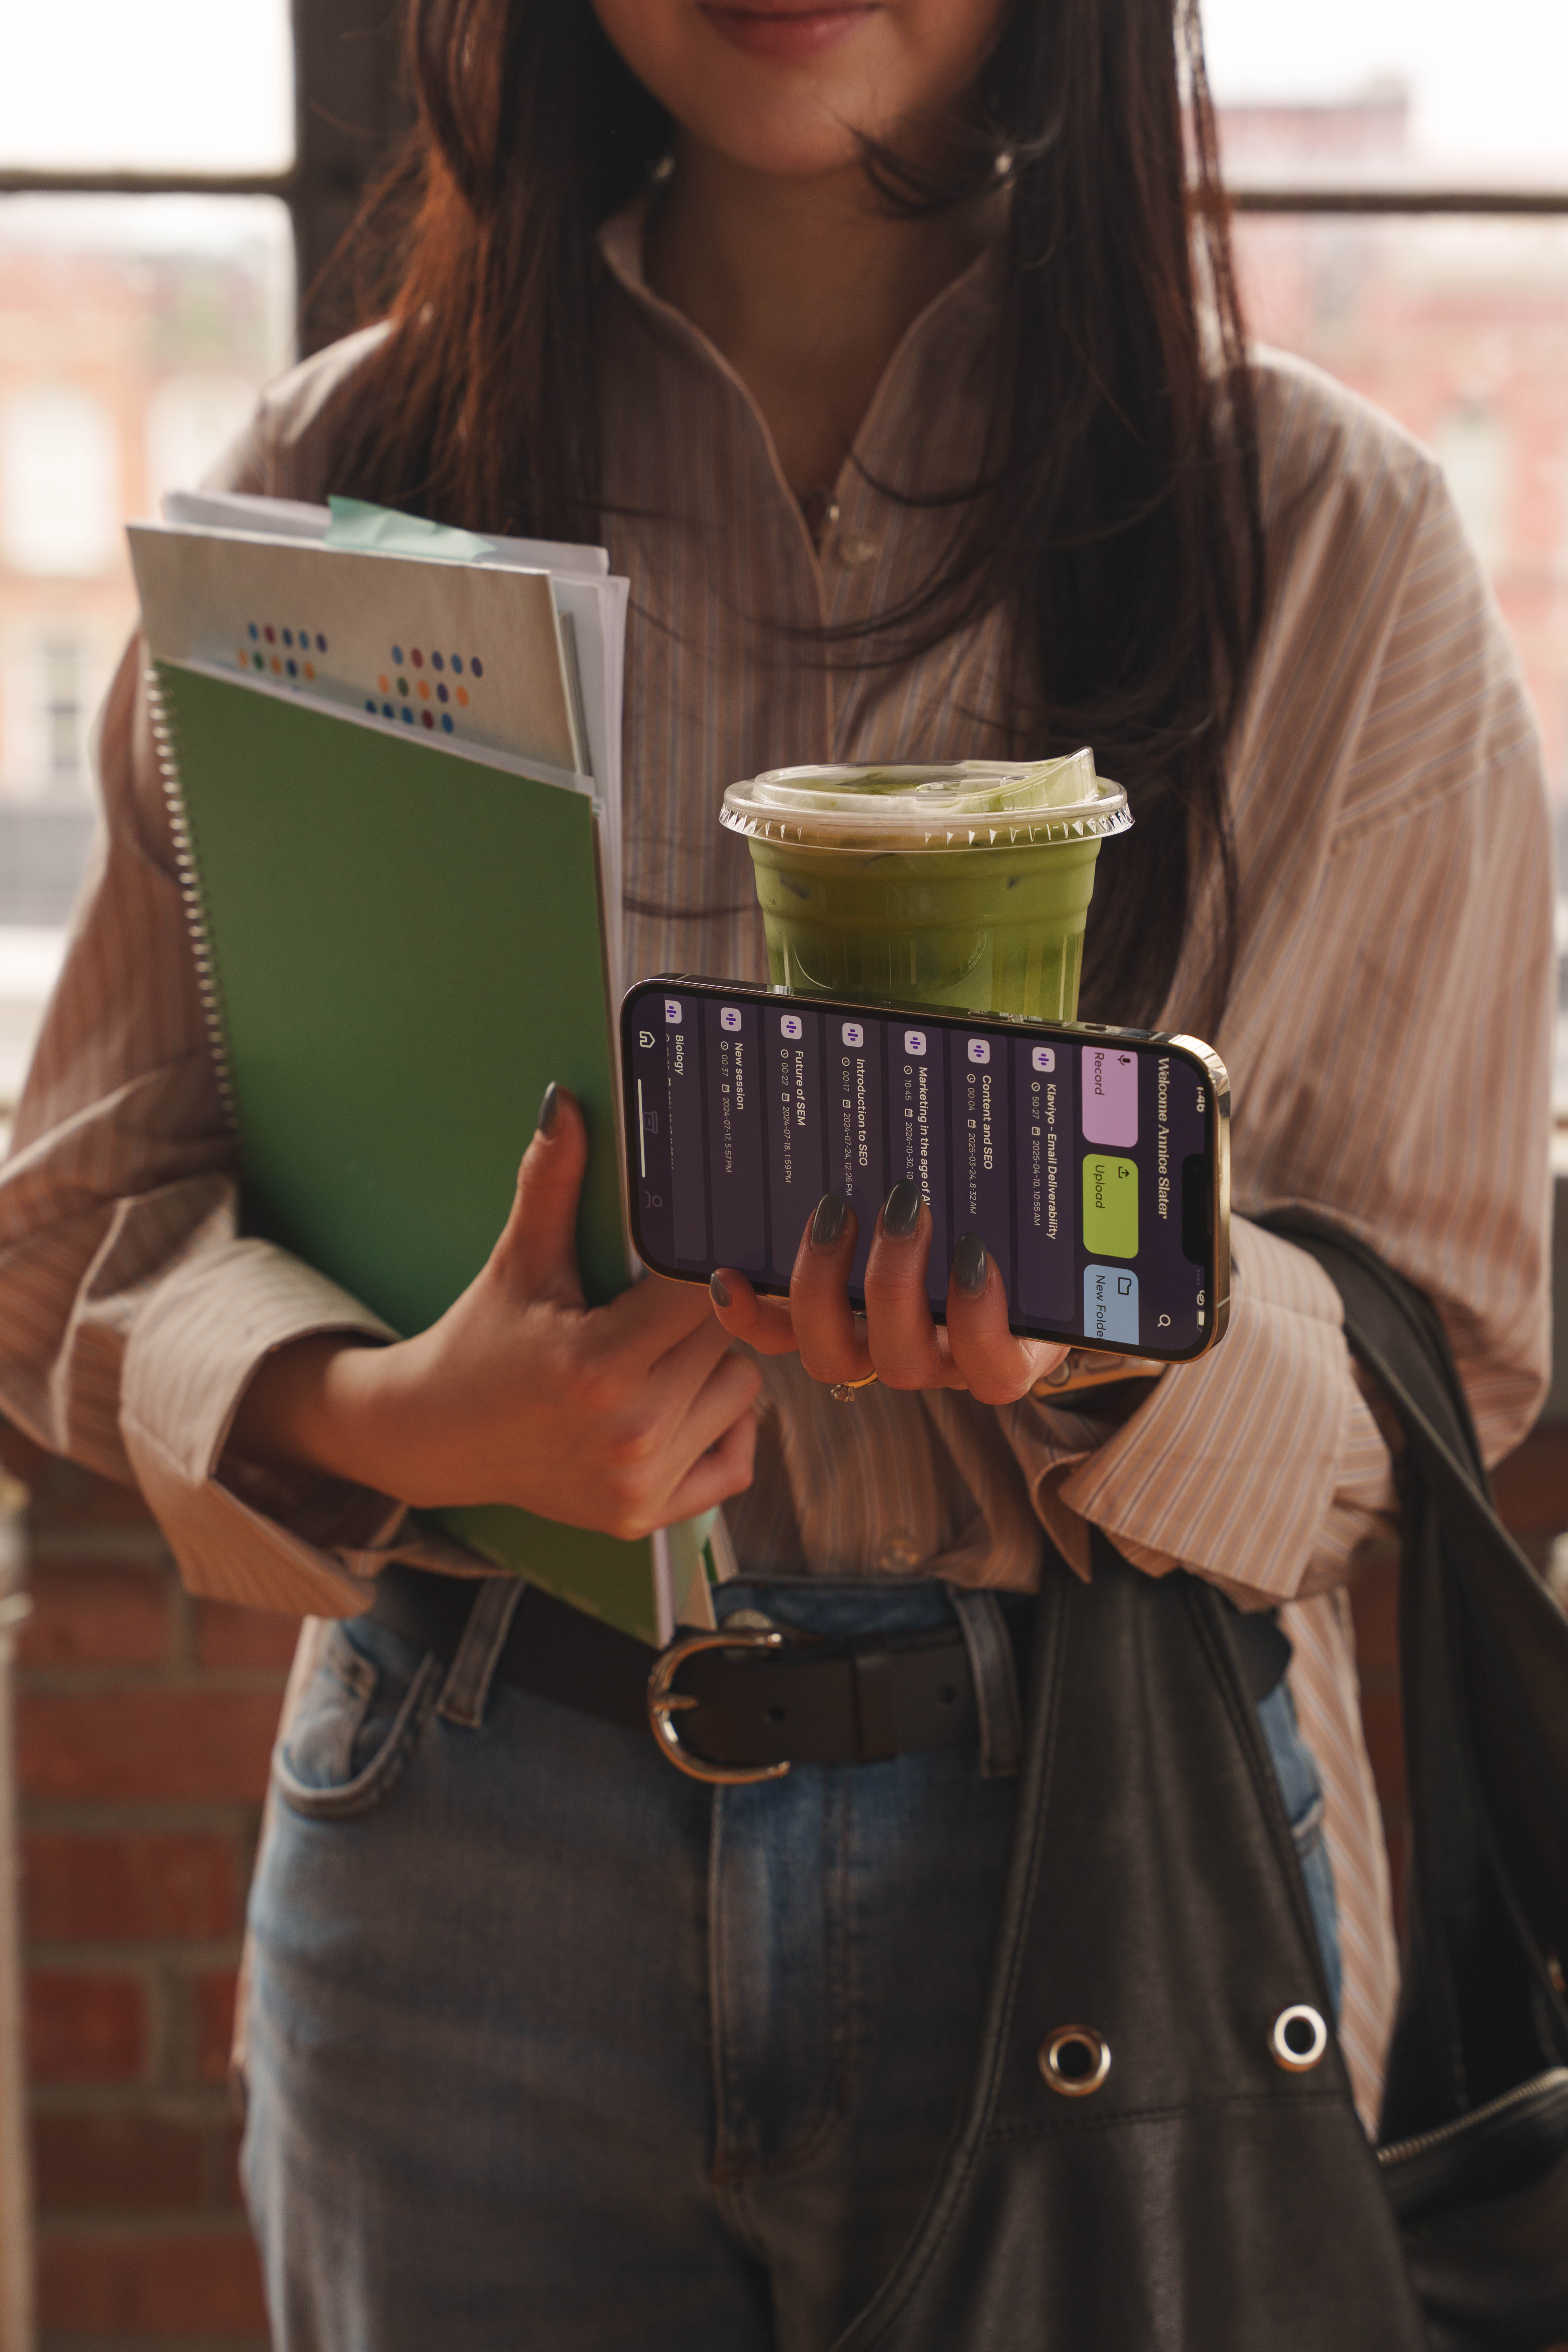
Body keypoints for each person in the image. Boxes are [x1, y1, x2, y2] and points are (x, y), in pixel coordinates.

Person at [0, 0, 1552, 2344]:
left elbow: (1455, 1349)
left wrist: (1129, 1333)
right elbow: (83, 1223)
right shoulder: (348, 477)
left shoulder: (1325, 536)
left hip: (1114, 1867)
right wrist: (393, 1416)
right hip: (468, 1855)